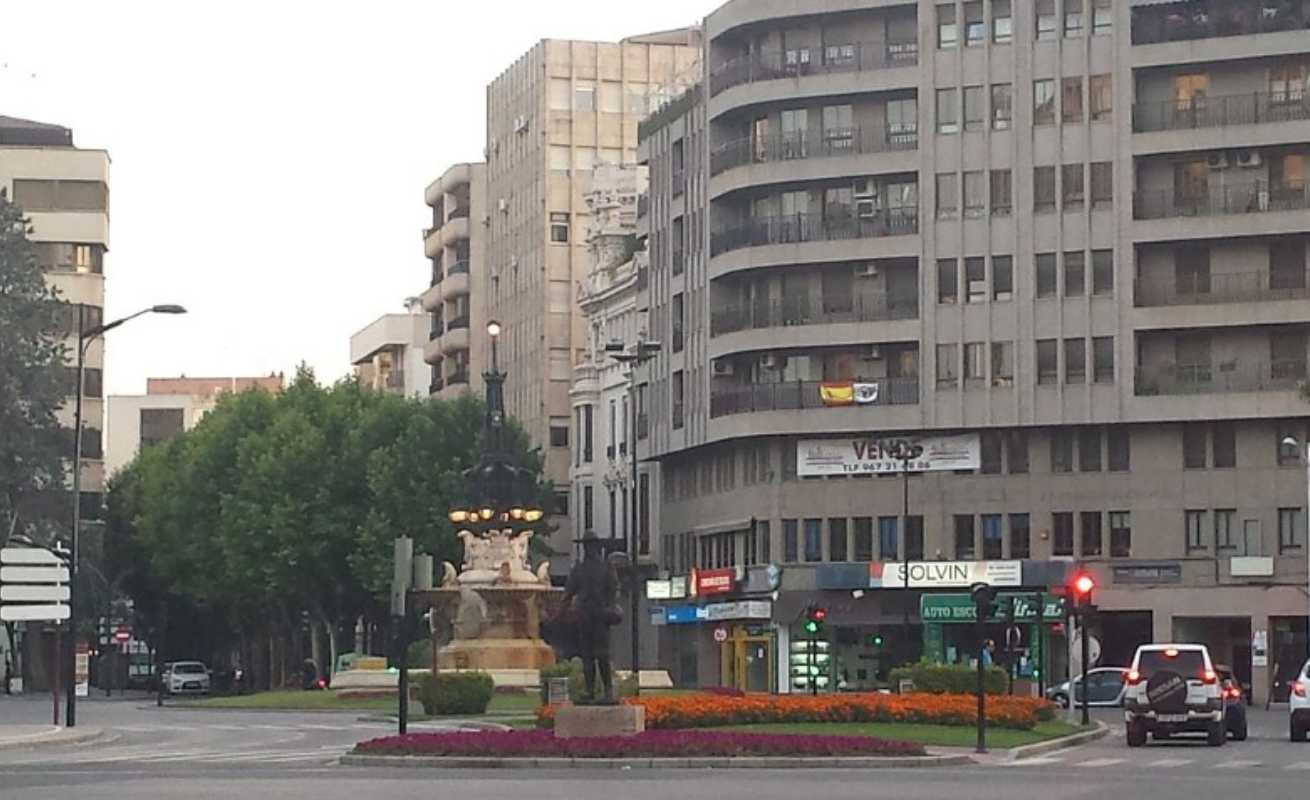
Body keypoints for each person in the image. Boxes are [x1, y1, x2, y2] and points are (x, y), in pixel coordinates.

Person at [559, 531, 620, 703]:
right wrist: (561, 611)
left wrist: (609, 607)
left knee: (602, 655)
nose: (589, 549)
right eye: (587, 545)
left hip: (600, 616)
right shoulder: (579, 569)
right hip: (585, 616)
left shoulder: (606, 567)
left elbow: (613, 590)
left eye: (591, 545)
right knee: (587, 656)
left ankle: (608, 691)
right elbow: (569, 592)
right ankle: (590, 691)